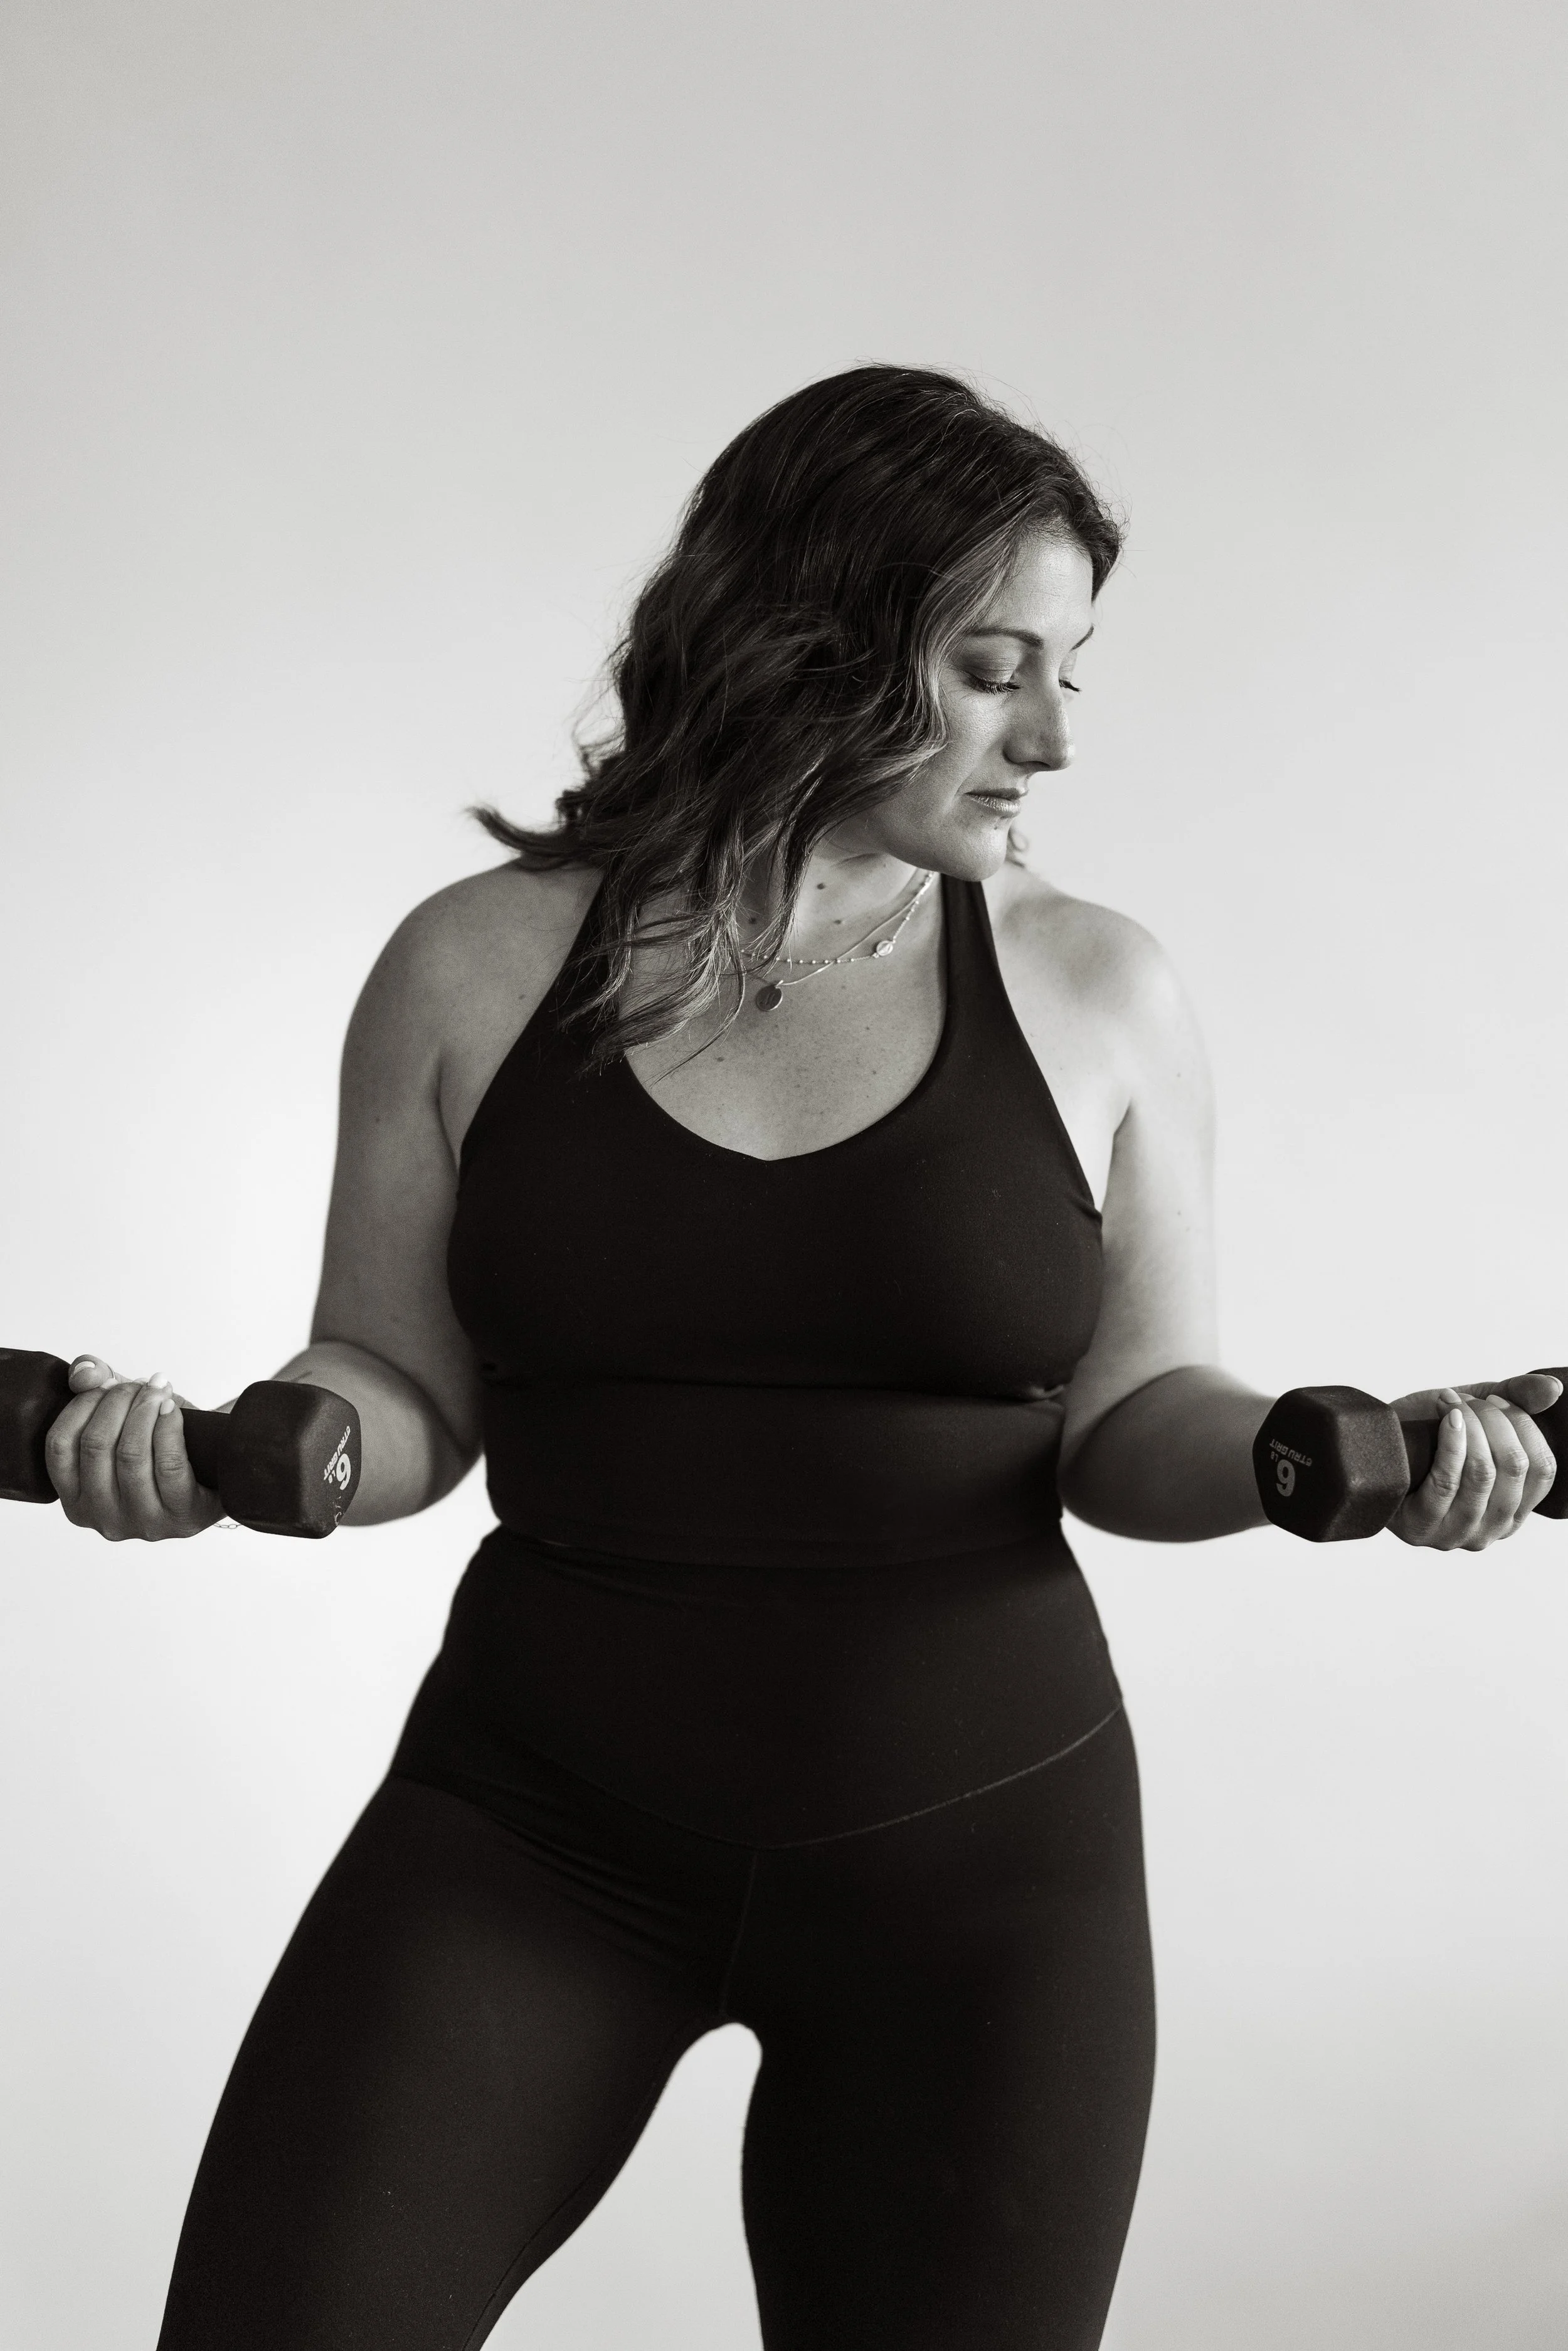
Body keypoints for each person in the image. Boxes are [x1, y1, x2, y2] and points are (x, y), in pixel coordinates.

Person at [45, 366, 1558, 2351]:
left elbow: (1128, 1422)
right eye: (993, 666)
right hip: (537, 1824)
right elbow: (397, 1383)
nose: (1048, 737)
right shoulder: (476, 963)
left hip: (980, 1872)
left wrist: (1337, 1449)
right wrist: (259, 1443)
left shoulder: (1098, 986)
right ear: (808, 643)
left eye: (1067, 673)